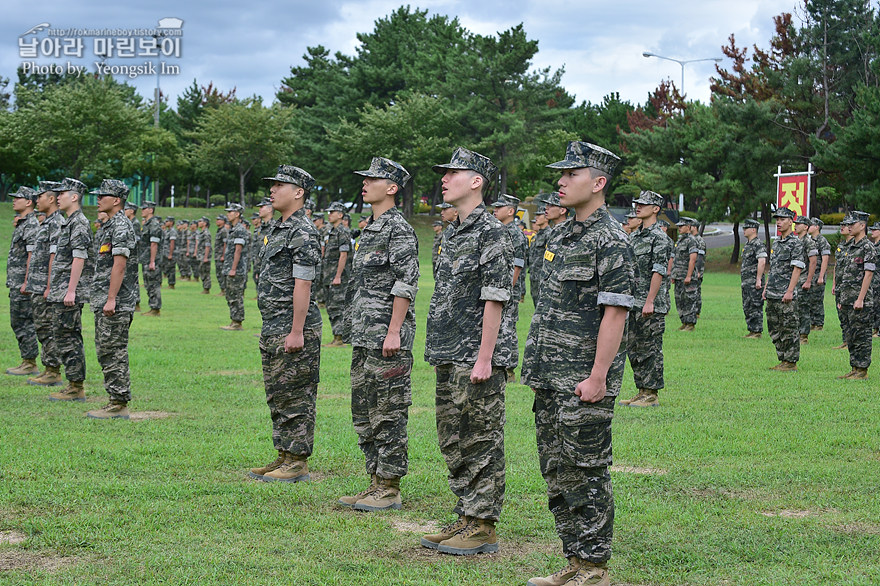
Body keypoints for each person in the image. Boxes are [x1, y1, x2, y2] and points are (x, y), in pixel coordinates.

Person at [521, 141, 633, 586]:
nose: (561, 181)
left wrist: (598, 376)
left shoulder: (611, 239)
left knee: (586, 470)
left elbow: (616, 313)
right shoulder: (561, 235)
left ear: (598, 182)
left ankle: (595, 568)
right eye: (561, 175)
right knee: (557, 471)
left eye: (571, 175)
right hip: (550, 374)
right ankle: (574, 563)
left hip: (584, 379)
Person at [422, 147, 514, 556]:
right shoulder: (452, 232)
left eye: (453, 173)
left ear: (476, 181)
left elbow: (495, 297)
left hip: (477, 353)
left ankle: (483, 526)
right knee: (452, 437)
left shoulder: (492, 232)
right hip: (448, 348)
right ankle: (466, 514)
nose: (444, 179)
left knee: (481, 438)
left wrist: (485, 356)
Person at [337, 157, 419, 512]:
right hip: (364, 334)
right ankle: (374, 481)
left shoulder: (397, 229)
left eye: (373, 179)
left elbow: (405, 283)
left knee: (388, 410)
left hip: (387, 336)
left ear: (392, 188)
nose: (365, 183)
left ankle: (389, 486)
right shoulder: (370, 227)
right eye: (364, 177)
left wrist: (394, 331)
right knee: (364, 410)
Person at [248, 165, 322, 483]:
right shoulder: (277, 229)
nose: (273, 190)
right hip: (273, 324)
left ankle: (298, 460)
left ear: (299, 192)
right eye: (272, 184)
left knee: (296, 395)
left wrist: (296, 330)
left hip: (293, 327)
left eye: (280, 185)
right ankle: (283, 454)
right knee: (277, 393)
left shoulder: (303, 231)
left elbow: (303, 285)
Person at [86, 180, 138, 419]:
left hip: (116, 301)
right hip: (104, 299)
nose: (98, 199)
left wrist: (111, 299)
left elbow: (119, 265)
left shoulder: (121, 227)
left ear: (116, 200)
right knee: (105, 349)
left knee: (113, 350)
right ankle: (114, 399)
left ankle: (119, 403)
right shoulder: (108, 225)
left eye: (103, 195)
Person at [620, 190, 672, 408]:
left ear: (656, 209)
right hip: (633, 301)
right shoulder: (634, 236)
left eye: (643, 204)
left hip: (651, 303)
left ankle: (651, 393)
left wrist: (650, 300)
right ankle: (641, 390)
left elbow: (658, 271)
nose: (638, 207)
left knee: (650, 347)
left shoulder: (659, 238)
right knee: (635, 347)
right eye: (637, 203)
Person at [46, 178, 94, 401]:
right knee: (62, 335)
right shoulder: (69, 221)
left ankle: (76, 387)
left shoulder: (79, 223)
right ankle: (72, 384)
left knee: (69, 337)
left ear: (74, 197)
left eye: (62, 193)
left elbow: (79, 257)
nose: (58, 197)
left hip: (68, 291)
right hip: (61, 289)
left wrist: (71, 290)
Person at [25, 182, 65, 386]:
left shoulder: (57, 223)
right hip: (38, 285)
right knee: (41, 327)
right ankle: (48, 367)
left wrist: (49, 285)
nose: (36, 201)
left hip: (45, 287)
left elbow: (53, 257)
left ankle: (53, 371)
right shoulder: (47, 222)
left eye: (39, 197)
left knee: (49, 327)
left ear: (51, 199)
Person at [762, 207, 804, 372]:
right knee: (774, 328)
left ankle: (791, 361)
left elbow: (797, 268)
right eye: (777, 219)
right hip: (773, 292)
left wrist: (789, 291)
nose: (778, 222)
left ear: (790, 221)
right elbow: (773, 269)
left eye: (782, 219)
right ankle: (783, 359)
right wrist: (766, 288)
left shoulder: (795, 243)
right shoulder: (777, 242)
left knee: (789, 327)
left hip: (785, 294)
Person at [492, 193, 528, 381]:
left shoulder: (515, 233)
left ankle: (509, 369)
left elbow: (517, 265)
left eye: (499, 207)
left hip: (508, 290)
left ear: (511, 211)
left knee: (507, 327)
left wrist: (507, 289)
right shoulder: (499, 229)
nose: (495, 210)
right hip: (498, 288)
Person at [835, 211, 875, 379]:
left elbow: (868, 274)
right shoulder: (850, 247)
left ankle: (862, 370)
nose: (848, 226)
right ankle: (854, 367)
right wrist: (842, 298)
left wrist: (860, 298)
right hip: (847, 299)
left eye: (852, 224)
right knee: (851, 335)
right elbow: (845, 273)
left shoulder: (867, 247)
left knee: (862, 335)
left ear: (862, 226)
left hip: (861, 301)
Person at [6, 186, 40, 376]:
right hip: (17, 281)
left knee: (23, 321)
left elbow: (31, 255)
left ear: (29, 202)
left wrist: (27, 281)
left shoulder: (31, 225)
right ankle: (27, 359)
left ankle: (30, 362)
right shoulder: (22, 223)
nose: (14, 200)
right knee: (17, 320)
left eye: (18, 198)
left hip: (23, 283)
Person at [322, 201, 351, 346]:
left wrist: (338, 276)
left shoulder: (342, 232)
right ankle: (337, 336)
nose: (329, 215)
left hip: (338, 277)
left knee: (337, 306)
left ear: (340, 215)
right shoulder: (331, 231)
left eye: (332, 212)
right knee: (331, 305)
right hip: (329, 275)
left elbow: (343, 255)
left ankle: (339, 337)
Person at [221, 203, 249, 330]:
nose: (228, 214)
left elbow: (238, 251)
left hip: (236, 269)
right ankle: (233, 320)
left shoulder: (240, 230)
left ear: (237, 214)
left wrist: (233, 268)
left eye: (230, 212)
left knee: (236, 295)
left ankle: (237, 322)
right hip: (230, 267)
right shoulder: (233, 229)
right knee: (230, 295)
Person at [740, 218, 767, 338]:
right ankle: (751, 329)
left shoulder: (758, 244)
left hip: (754, 281)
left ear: (753, 229)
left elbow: (762, 262)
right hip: (746, 281)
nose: (744, 230)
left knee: (755, 305)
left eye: (746, 228)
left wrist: (758, 279)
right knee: (747, 305)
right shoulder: (748, 245)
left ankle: (757, 331)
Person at [793, 216, 818, 344]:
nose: (795, 225)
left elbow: (813, 262)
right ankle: (796, 333)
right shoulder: (795, 240)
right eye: (795, 223)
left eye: (798, 224)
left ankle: (803, 335)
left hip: (803, 280)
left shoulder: (809, 242)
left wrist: (808, 280)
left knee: (803, 308)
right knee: (794, 308)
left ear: (806, 227)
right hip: (795, 280)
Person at [670, 219, 699, 330]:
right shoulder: (680, 241)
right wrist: (673, 274)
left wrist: (688, 275)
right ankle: (684, 322)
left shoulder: (691, 240)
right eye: (679, 226)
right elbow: (676, 259)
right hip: (678, 276)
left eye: (682, 226)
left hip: (687, 276)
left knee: (689, 299)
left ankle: (690, 323)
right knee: (679, 299)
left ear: (688, 227)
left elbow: (692, 259)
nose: (679, 228)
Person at [832, 217, 854, 349]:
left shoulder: (855, 245)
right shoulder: (841, 246)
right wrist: (834, 283)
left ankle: (851, 341)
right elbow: (837, 266)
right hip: (840, 285)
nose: (842, 227)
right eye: (841, 225)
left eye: (845, 225)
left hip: (850, 286)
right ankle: (845, 340)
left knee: (850, 314)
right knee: (841, 314)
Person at [808, 218, 831, 331]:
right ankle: (812, 322)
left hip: (818, 275)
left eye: (811, 225)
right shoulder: (809, 240)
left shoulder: (822, 241)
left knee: (817, 299)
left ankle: (818, 323)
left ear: (817, 227)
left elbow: (825, 259)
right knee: (810, 299)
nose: (808, 227)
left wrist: (821, 276)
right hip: (810, 275)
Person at [140, 201, 163, 316]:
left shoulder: (154, 224)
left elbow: (154, 244)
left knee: (153, 284)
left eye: (144, 208)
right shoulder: (147, 224)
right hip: (146, 258)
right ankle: (153, 307)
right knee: (148, 284)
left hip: (152, 259)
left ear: (150, 210)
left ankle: (155, 308)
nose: (142, 211)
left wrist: (152, 261)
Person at [527, 204, 549, 307]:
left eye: (539, 215)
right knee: (536, 301)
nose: (536, 218)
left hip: (542, 276)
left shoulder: (549, 234)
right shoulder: (537, 235)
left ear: (546, 218)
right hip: (534, 275)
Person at [123, 202, 141, 311]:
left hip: (132, 255)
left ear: (131, 211)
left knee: (133, 278)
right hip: (128, 254)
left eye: (126, 210)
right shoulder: (129, 222)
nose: (124, 212)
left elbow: (135, 240)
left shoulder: (135, 223)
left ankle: (136, 303)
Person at [195, 217, 212, 293]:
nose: (198, 223)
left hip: (204, 256)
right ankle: (205, 287)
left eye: (200, 221)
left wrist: (206, 257)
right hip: (201, 255)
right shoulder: (201, 232)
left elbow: (207, 245)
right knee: (202, 271)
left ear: (205, 223)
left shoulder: (206, 233)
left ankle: (206, 289)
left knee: (205, 272)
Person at [161, 216, 177, 289]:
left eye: (167, 221)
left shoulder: (172, 231)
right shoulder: (167, 231)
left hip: (170, 253)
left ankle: (171, 284)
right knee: (166, 268)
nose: (165, 223)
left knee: (171, 269)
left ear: (171, 222)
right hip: (165, 252)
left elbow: (172, 243)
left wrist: (170, 254)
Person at [870, 221, 880, 337]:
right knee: (875, 304)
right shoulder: (873, 246)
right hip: (874, 280)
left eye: (875, 230)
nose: (872, 231)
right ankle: (876, 328)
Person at [214, 216, 228, 295]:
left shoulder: (224, 231)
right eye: (217, 219)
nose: (217, 221)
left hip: (221, 256)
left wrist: (223, 255)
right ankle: (222, 290)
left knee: (222, 273)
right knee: (218, 273)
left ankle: (224, 290)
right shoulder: (219, 230)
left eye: (219, 220)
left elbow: (225, 244)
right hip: (217, 255)